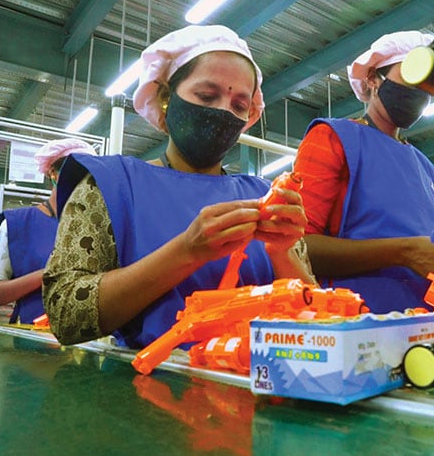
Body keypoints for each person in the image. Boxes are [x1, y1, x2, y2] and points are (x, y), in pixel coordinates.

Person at [43, 24, 313, 348]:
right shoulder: (111, 186)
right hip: (146, 388)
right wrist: (186, 252)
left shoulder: (265, 197)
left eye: (239, 105)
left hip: (264, 385)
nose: (223, 111)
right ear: (167, 98)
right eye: (206, 95)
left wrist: (281, 253)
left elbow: (315, 314)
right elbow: (66, 314)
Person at [294, 30, 434, 314]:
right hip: (354, 322)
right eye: (411, 76)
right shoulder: (334, 138)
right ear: (373, 79)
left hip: (422, 318)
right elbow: (298, 247)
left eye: (428, 83)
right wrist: (405, 252)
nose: (420, 92)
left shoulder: (427, 169)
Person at [0, 138, 97, 324]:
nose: (80, 181)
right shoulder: (17, 224)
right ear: (53, 174)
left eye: (88, 175)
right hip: (32, 340)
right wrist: (48, 275)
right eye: (74, 173)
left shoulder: (97, 226)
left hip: (86, 342)